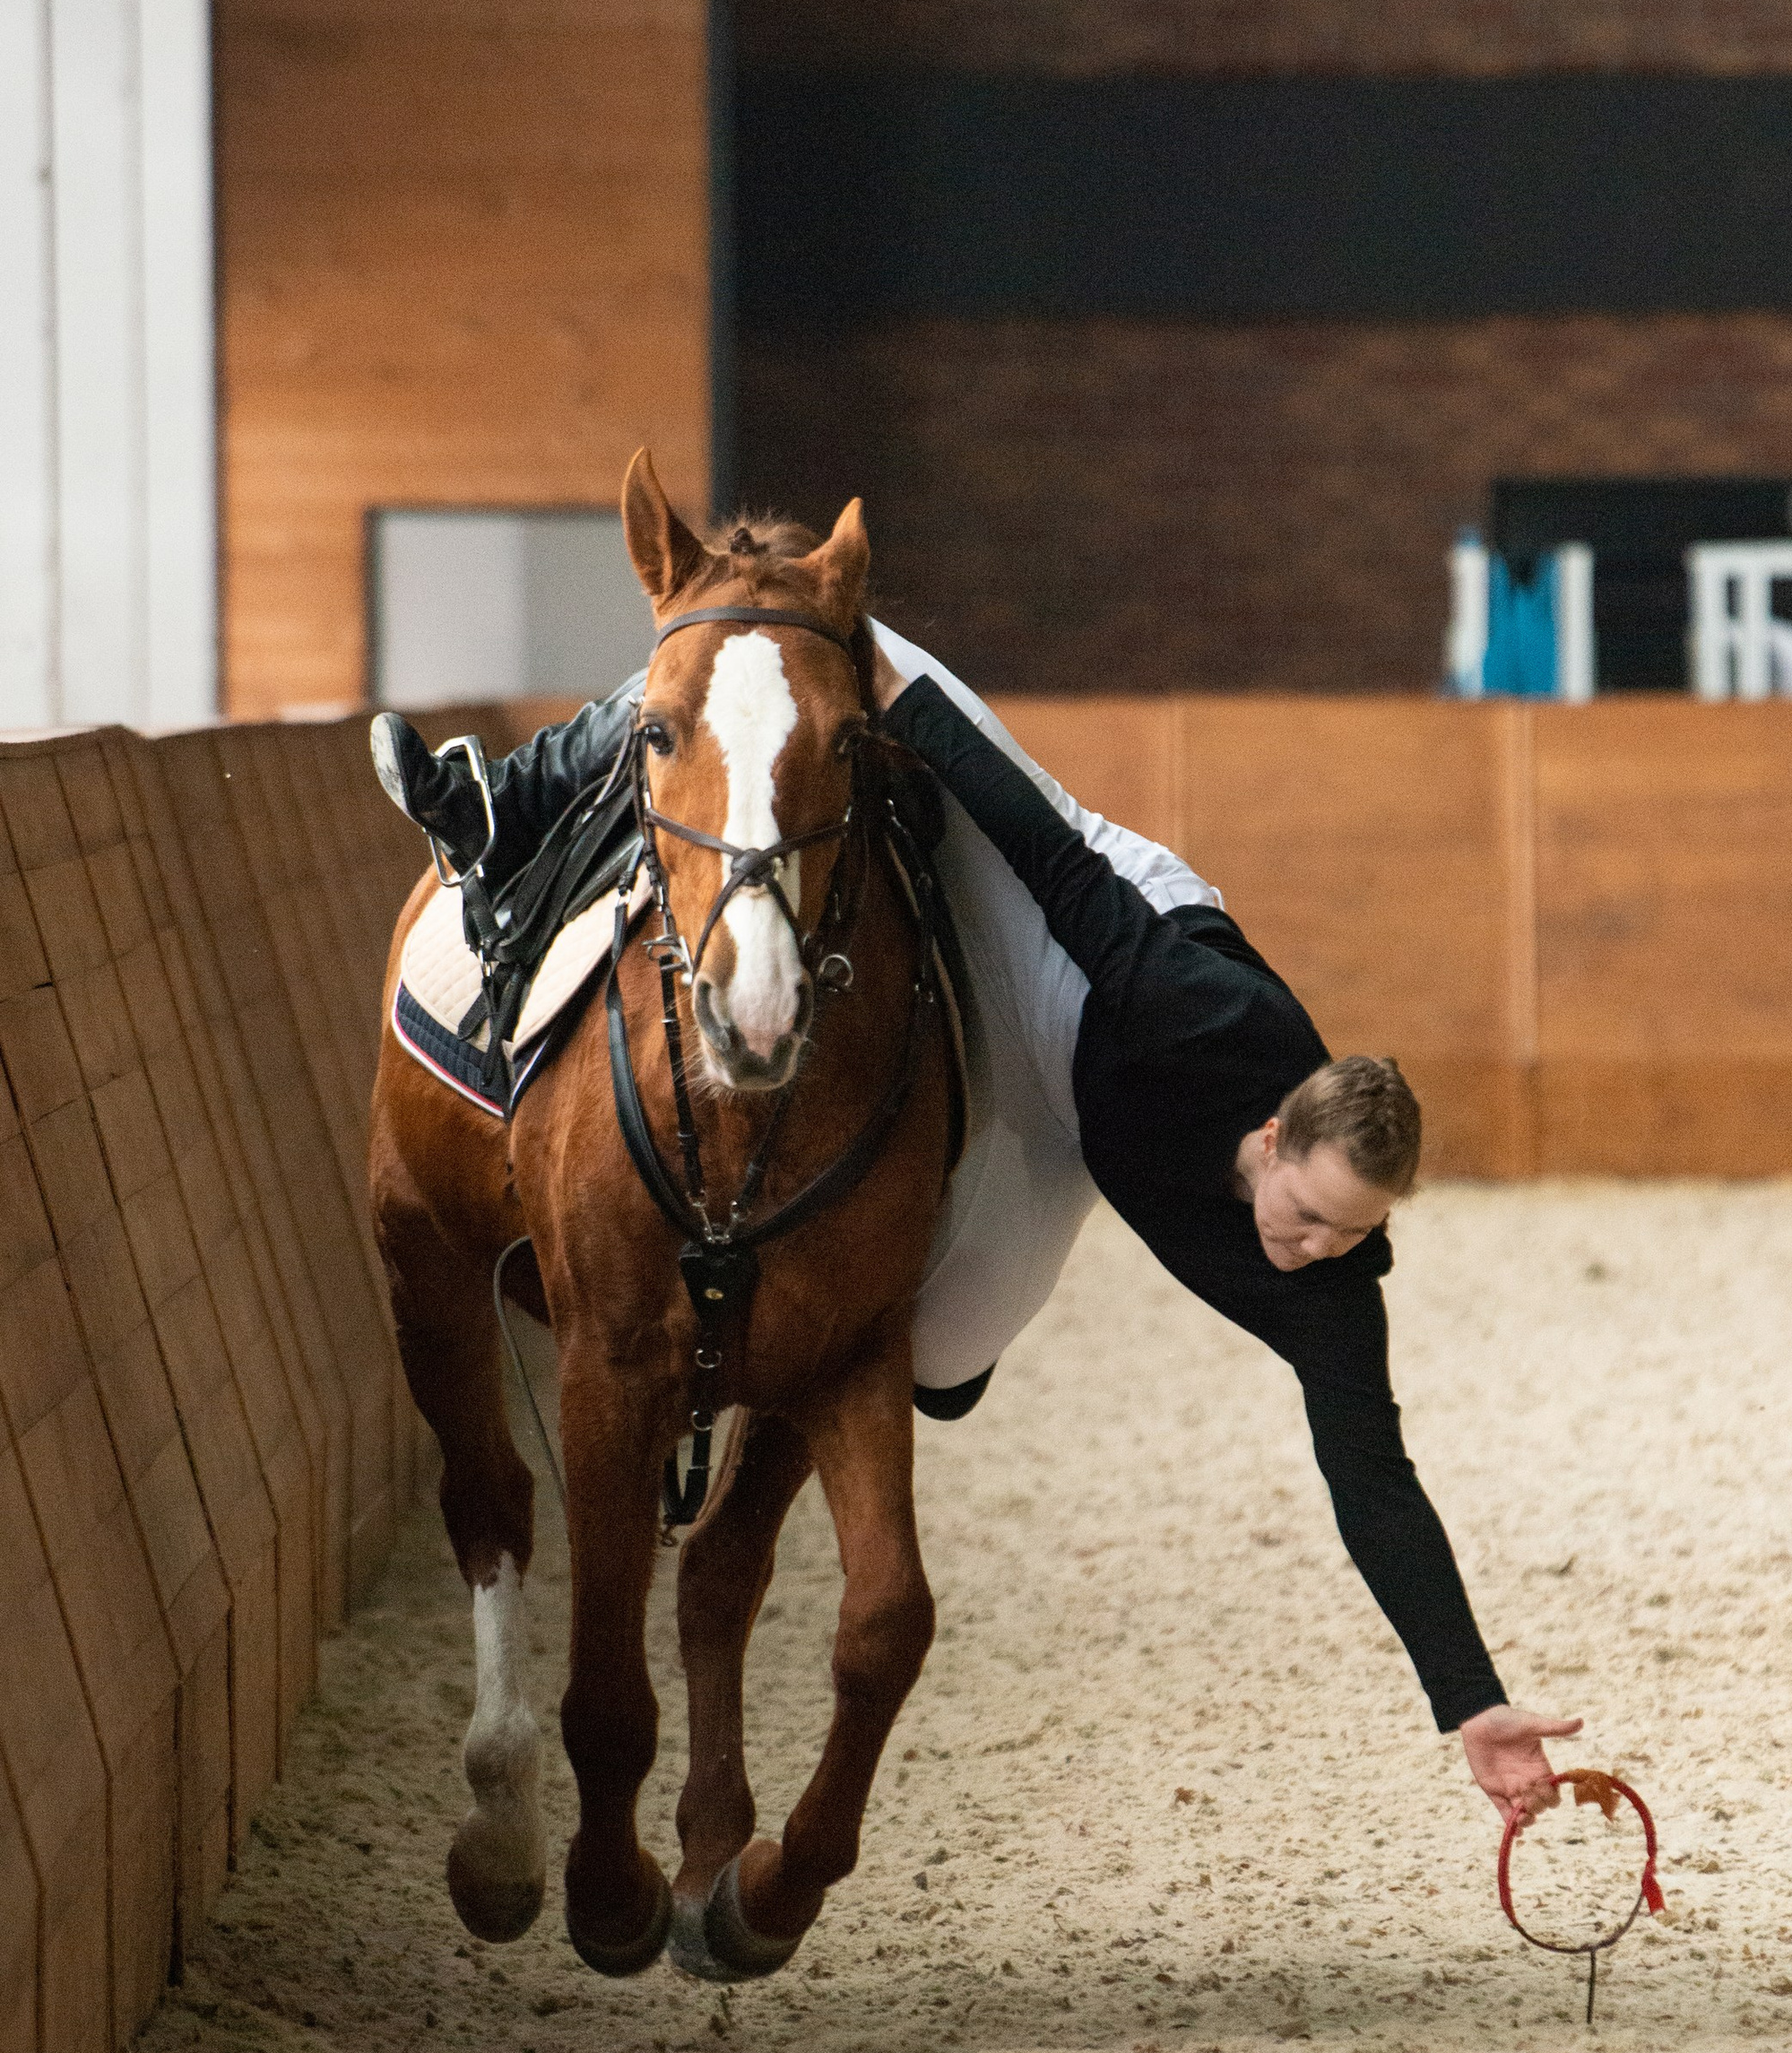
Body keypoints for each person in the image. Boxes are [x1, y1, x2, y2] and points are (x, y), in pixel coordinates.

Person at [373, 611, 1580, 1818]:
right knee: (807, 645)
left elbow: (1372, 1472)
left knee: (946, 1354)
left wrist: (1471, 1699)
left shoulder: (1329, 1268)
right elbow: (1054, 861)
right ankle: (514, 798)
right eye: (1308, 1215)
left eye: (1346, 1238)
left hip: (1079, 1110)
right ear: (1273, 1140)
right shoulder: (1189, 1007)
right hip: (1070, 936)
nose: (1309, 1250)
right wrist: (894, 695)